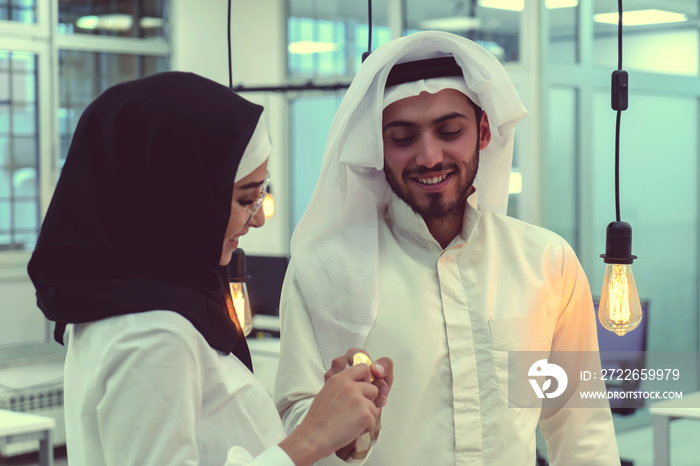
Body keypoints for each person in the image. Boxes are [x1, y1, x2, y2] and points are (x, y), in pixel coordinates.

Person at [274, 31, 620, 465]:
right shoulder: (323, 268)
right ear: (377, 148)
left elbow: (580, 430)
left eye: (450, 131)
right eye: (402, 138)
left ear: (484, 132)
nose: (430, 156)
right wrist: (336, 422)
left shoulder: (546, 263)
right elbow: (294, 418)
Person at [27, 71, 392, 466]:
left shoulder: (135, 307)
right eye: (243, 199)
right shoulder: (152, 334)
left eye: (260, 194)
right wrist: (308, 439)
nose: (258, 220)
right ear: (176, 196)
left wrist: (327, 421)